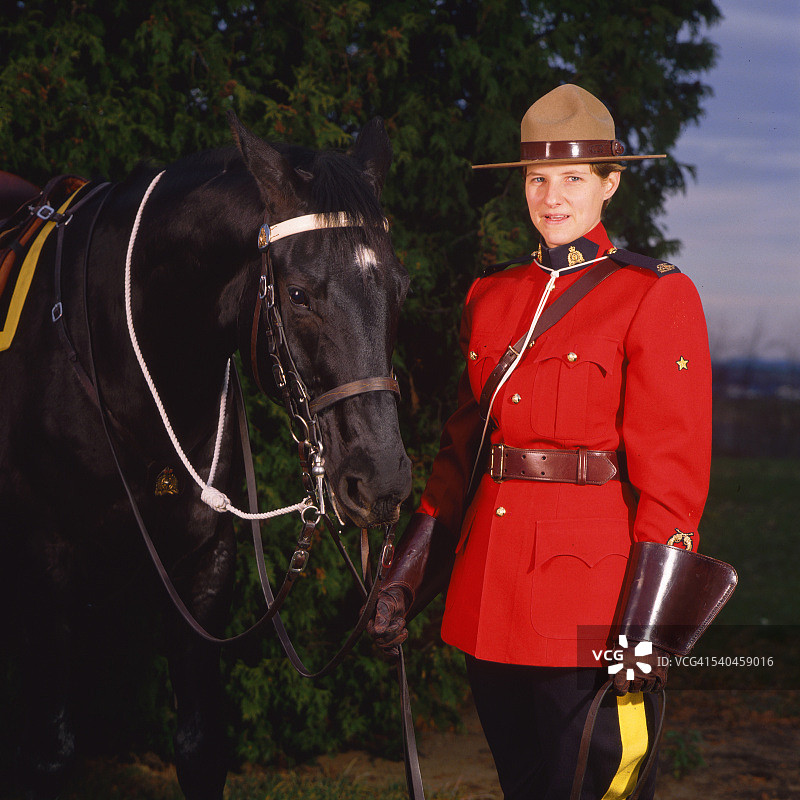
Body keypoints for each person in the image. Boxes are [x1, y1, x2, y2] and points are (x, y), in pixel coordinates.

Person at [369, 84, 713, 799]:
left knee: (596, 789)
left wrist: (647, 628)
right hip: (489, 597)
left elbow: (673, 479)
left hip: (592, 605)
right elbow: (459, 457)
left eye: (573, 179)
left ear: (610, 184)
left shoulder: (653, 295)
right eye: (537, 180)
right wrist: (408, 573)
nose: (552, 198)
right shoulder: (490, 296)